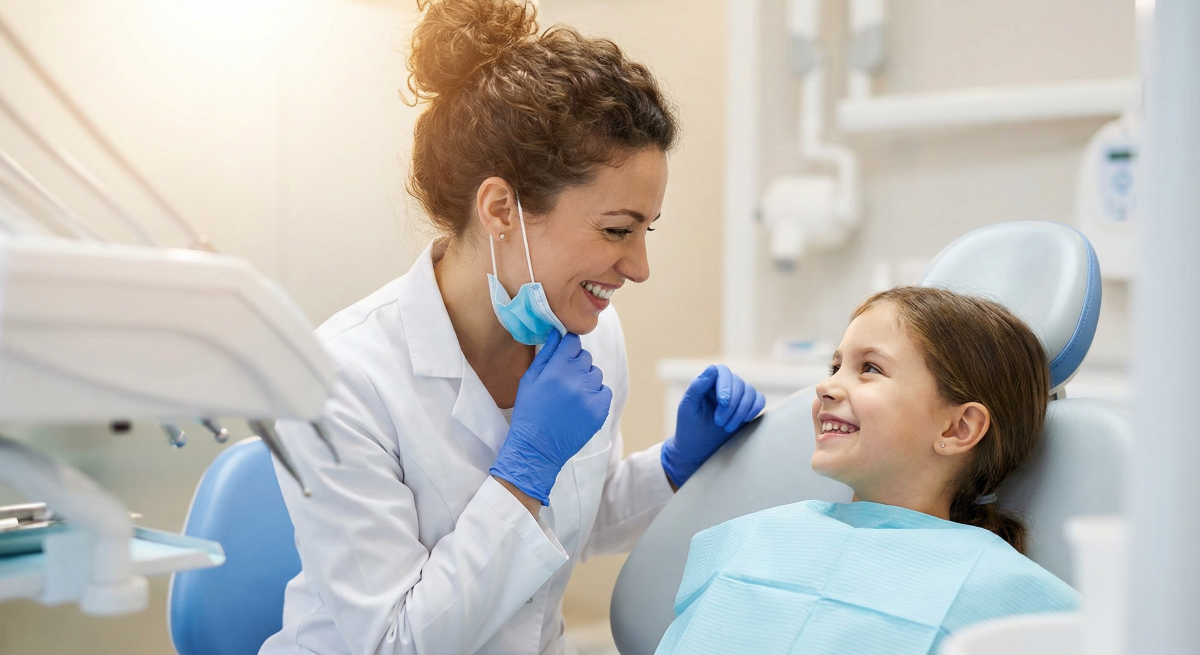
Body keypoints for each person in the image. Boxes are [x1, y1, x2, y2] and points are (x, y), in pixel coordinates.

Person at [259, 2, 765, 654]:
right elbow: (394, 642)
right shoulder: (341, 375)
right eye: (617, 230)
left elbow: (573, 518)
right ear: (501, 207)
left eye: (647, 229)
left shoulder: (589, 333)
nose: (638, 267)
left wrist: (674, 466)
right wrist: (522, 472)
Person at [654, 287, 1080, 655]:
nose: (826, 386)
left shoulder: (1002, 595)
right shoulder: (752, 538)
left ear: (958, 427)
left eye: (870, 368)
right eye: (834, 367)